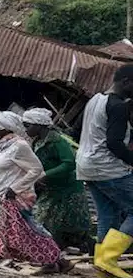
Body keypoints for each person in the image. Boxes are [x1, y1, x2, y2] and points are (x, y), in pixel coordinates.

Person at [0, 111, 74, 276]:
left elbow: (36, 169)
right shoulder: (3, 146)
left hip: (15, 198)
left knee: (30, 232)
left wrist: (16, 188)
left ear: (5, 129)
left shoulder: (19, 146)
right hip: (0, 197)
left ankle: (59, 261)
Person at [75, 64, 133, 278]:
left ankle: (101, 264)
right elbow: (115, 143)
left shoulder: (94, 100)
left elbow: (75, 130)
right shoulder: (118, 106)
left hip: (86, 166)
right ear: (126, 82)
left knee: (107, 214)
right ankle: (109, 258)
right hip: (107, 167)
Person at [22, 108, 93, 254]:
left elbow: (69, 163)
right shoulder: (37, 141)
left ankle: (82, 247)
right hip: (51, 188)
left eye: (28, 125)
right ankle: (50, 248)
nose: (25, 129)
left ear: (39, 126)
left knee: (72, 222)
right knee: (43, 218)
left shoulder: (57, 141)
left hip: (68, 188)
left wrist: (45, 175)